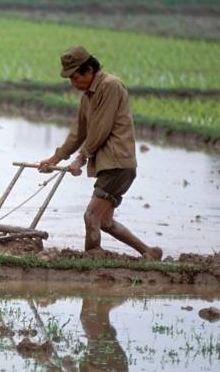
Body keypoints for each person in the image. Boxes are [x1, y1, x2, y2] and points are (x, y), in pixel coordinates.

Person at [39, 46, 162, 260]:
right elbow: (79, 132)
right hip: (110, 164)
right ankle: (149, 252)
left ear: (89, 70)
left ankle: (92, 259)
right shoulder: (88, 95)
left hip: (117, 163)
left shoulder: (110, 86)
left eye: (75, 77)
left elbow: (101, 129)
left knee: (91, 216)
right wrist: (55, 158)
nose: (73, 83)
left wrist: (80, 158)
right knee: (104, 222)